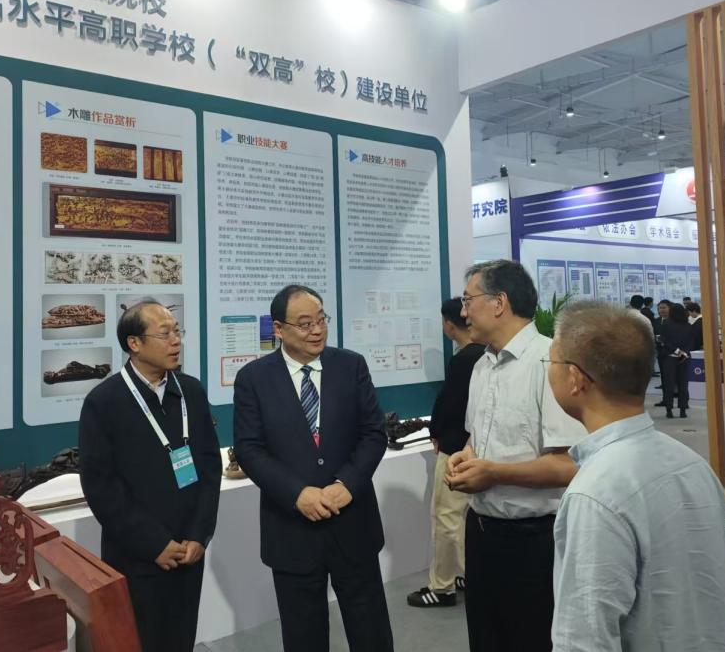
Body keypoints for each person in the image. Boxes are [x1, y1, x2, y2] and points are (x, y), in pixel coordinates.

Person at [545, 300, 725, 651]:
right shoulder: (693, 465)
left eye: (551, 362)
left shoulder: (595, 494)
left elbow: (584, 639)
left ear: (575, 378)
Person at [233, 285, 393, 652]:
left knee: (371, 632)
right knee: (303, 636)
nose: (317, 330)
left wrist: (348, 484)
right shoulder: (254, 378)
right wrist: (297, 494)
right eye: (305, 324)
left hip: (352, 523)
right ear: (278, 328)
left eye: (321, 320)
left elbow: (373, 433)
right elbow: (249, 449)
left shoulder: (350, 365)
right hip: (292, 530)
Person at [445, 260, 586, 652]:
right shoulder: (481, 365)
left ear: (499, 303)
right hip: (482, 534)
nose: (463, 312)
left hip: (534, 543)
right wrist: (466, 458)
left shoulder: (551, 363)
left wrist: (493, 473)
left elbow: (571, 465)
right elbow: (478, 438)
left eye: (468, 300)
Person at [78, 301, 221, 652]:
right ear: (134, 343)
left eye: (177, 331)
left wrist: (199, 534)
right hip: (137, 556)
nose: (176, 341)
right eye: (164, 333)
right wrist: (154, 544)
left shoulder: (190, 391)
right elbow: (100, 486)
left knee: (181, 638)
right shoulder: (104, 402)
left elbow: (209, 466)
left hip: (189, 551)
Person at [407, 298, 485, 608]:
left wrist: (437, 432)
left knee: (447, 517)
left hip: (455, 449)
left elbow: (451, 405)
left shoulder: (466, 359)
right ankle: (462, 574)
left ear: (449, 324)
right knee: (461, 516)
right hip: (472, 447)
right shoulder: (485, 355)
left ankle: (442, 587)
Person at [660, 302, 694, 418]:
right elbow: (691, 342)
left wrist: (676, 350)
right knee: (683, 384)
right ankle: (683, 410)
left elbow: (664, 341)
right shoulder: (688, 325)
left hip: (669, 357)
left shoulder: (666, 324)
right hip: (684, 358)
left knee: (669, 384)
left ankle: (669, 410)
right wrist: (684, 352)